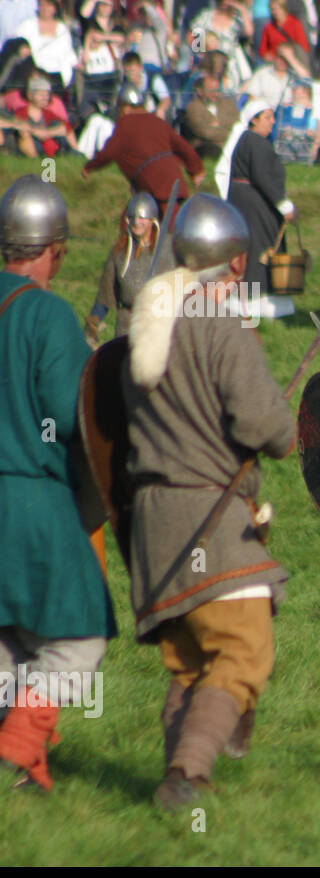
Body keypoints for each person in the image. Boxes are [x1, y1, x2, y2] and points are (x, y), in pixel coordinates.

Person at [122, 193, 295, 811]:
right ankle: (188, 775)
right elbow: (267, 429)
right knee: (245, 649)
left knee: (192, 663)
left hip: (150, 525)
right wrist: (285, 423)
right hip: (210, 519)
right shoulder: (221, 324)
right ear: (238, 262)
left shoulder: (143, 328)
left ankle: (178, 773)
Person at [0, 175, 116, 791]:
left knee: (11, 642)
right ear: (57, 248)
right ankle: (18, 745)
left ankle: (25, 765)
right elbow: (77, 414)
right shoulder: (46, 313)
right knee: (79, 638)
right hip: (35, 504)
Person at [216, 99, 297, 319]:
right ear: (253, 120)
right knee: (261, 251)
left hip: (246, 202)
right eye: (268, 117)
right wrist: (284, 204)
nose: (272, 122)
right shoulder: (256, 142)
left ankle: (247, 302)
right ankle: (258, 304)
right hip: (254, 205)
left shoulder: (246, 140)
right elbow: (263, 177)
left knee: (251, 250)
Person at [83, 83, 206, 210]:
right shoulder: (157, 121)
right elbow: (182, 146)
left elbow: (109, 152)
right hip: (175, 182)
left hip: (154, 186)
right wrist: (196, 169)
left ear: (125, 108)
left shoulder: (125, 123)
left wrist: (89, 167)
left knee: (154, 225)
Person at [85, 192, 175, 345]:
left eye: (141, 218)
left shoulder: (169, 249)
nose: (136, 222)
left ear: (152, 220)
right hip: (127, 325)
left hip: (160, 326)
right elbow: (105, 295)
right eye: (133, 218)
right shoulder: (120, 253)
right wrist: (92, 325)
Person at [182, 70, 240, 158]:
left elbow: (237, 124)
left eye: (217, 90)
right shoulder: (193, 107)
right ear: (200, 91)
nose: (215, 94)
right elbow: (206, 133)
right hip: (205, 151)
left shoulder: (228, 104)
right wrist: (230, 132)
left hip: (230, 149)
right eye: (211, 90)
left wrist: (217, 124)